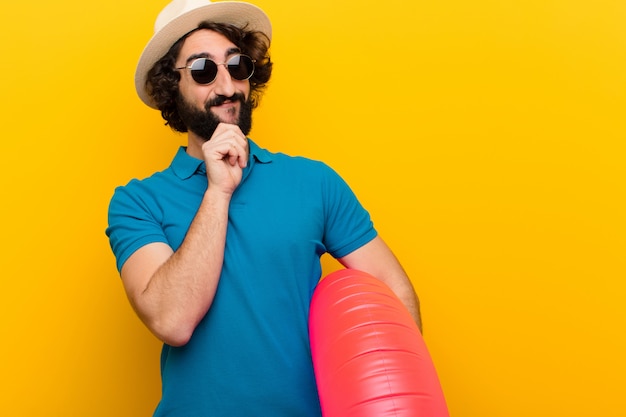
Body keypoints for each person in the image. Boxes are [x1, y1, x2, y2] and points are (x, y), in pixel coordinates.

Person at [106, 0, 422, 415]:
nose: (226, 86)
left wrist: (400, 397)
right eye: (203, 70)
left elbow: (393, 290)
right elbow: (172, 320)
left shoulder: (313, 182)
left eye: (237, 66)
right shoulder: (137, 202)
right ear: (172, 86)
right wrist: (217, 192)